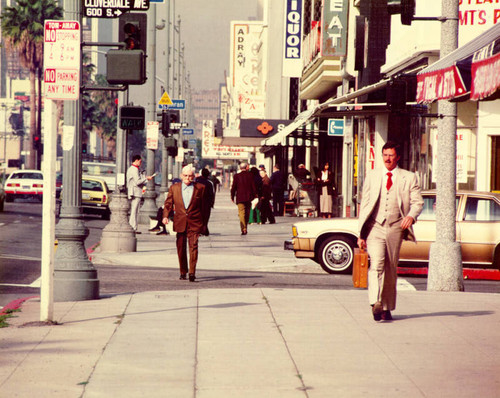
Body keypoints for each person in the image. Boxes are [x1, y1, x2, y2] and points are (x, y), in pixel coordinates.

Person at [357, 141, 424, 321]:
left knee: (390, 267)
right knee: (376, 264)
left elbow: (418, 202)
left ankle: (386, 308)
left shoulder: (409, 177)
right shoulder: (372, 176)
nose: (387, 158)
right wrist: (360, 234)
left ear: (398, 157)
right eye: (385, 155)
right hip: (374, 226)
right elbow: (364, 205)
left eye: (391, 155)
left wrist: (411, 216)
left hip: (395, 226)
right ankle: (375, 302)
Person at [162, 165, 208, 282]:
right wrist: (165, 216)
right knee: (181, 248)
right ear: (181, 176)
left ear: (194, 176)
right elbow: (168, 203)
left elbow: (205, 208)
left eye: (190, 176)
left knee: (193, 246)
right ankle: (183, 271)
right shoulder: (174, 188)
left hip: (195, 222)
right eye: (186, 176)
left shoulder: (201, 188)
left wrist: (204, 224)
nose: (188, 178)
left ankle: (192, 272)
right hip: (180, 221)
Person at [127, 155, 152, 233]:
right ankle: (132, 227)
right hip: (135, 192)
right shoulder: (134, 169)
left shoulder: (134, 169)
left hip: (136, 192)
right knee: (134, 210)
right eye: (140, 161)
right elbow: (138, 181)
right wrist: (146, 179)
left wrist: (144, 178)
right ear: (136, 160)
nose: (140, 163)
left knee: (135, 210)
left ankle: (134, 227)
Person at [230, 162, 257, 235]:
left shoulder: (236, 176)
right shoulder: (250, 175)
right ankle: (246, 227)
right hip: (249, 198)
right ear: (246, 167)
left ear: (240, 168)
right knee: (247, 213)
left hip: (240, 198)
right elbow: (253, 186)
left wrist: (232, 196)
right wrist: (255, 195)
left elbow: (233, 187)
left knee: (241, 213)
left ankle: (243, 228)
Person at [195, 168, 215, 235]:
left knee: (198, 216)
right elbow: (212, 194)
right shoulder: (209, 183)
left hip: (197, 202)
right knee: (205, 217)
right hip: (206, 203)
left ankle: (199, 229)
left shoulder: (196, 181)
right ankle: (204, 228)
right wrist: (212, 203)